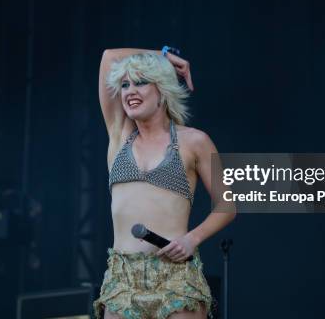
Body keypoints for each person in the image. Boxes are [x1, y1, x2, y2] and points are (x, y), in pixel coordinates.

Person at [93, 48, 236, 319]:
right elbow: (109, 57)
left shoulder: (195, 141)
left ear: (162, 89)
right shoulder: (119, 136)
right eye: (125, 85)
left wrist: (192, 239)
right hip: (122, 280)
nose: (130, 91)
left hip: (175, 277)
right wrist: (162, 54)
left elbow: (228, 204)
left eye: (141, 82)